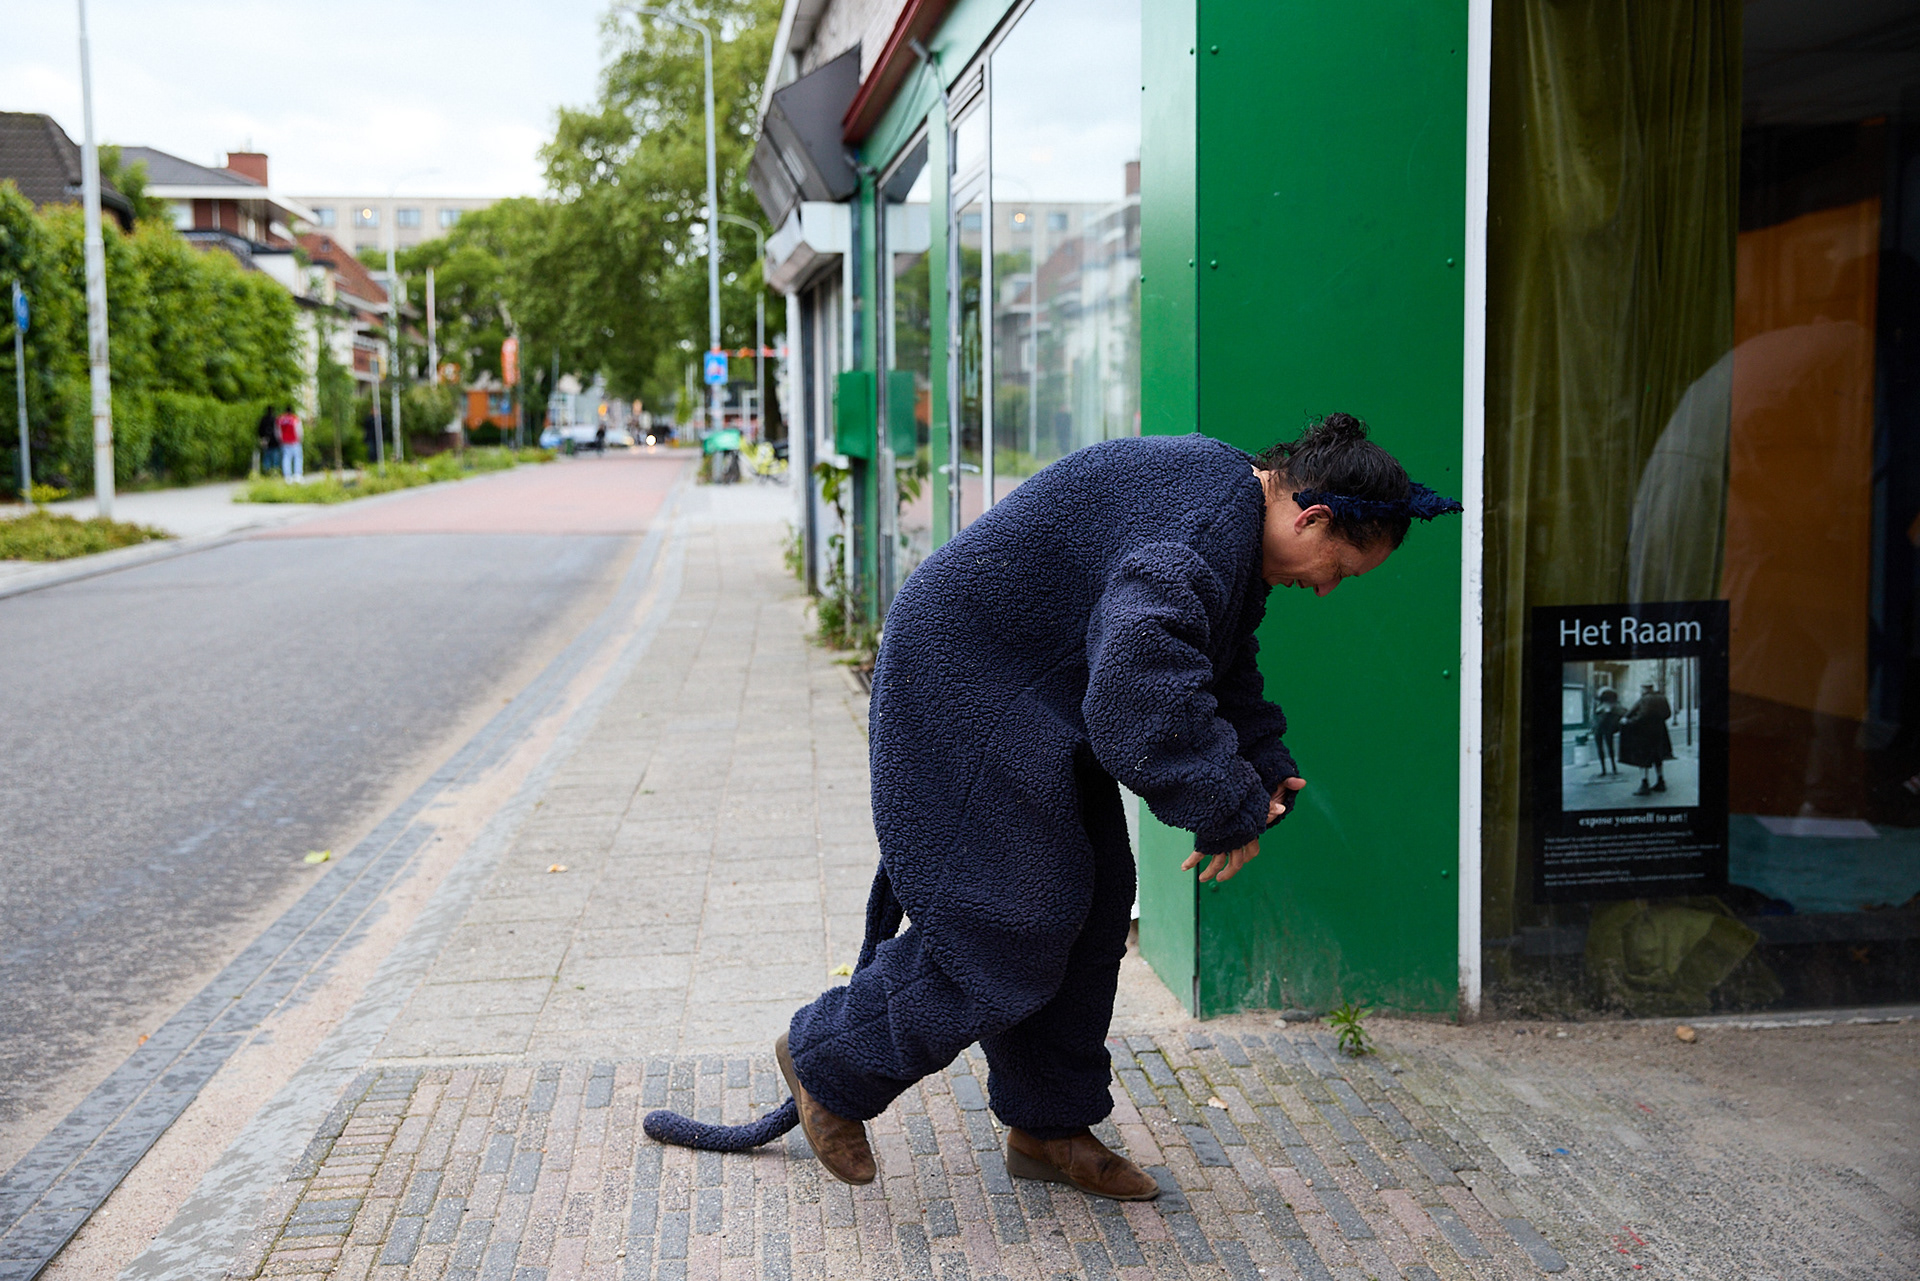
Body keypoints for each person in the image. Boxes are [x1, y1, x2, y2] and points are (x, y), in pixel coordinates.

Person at [641, 414, 1462, 1198]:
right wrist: (1223, 802)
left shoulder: (1230, 508)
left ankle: (1049, 1128)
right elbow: (1136, 694)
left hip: (1028, 695)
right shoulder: (1204, 530)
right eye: (1340, 571)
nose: (1326, 590)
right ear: (1312, 516)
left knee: (1096, 900)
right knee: (1016, 916)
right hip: (963, 685)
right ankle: (832, 1060)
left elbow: (1212, 658)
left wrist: (1258, 760)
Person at [1619, 682, 1675, 795]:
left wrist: (1628, 721)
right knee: (1658, 757)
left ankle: (1644, 785)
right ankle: (1661, 781)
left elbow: (1641, 716)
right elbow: (1668, 714)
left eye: (1641, 689)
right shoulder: (1662, 698)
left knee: (1643, 759)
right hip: (1659, 732)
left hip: (1644, 734)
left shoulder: (1644, 699)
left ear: (1644, 689)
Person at [1592, 687, 1623, 776]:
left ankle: (1610, 768)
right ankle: (1608, 769)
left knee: (1607, 749)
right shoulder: (1605, 706)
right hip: (1602, 729)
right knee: (1606, 749)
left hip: (1603, 729)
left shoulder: (1606, 707)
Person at [276, 407, 304, 481]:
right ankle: (297, 475)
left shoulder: (280, 419)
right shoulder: (295, 418)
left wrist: (280, 439)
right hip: (295, 441)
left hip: (284, 442)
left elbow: (278, 431)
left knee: (286, 459)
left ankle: (287, 476)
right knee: (298, 458)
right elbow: (299, 430)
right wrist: (300, 438)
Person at [257, 405, 280, 475]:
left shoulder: (263, 419)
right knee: (275, 457)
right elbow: (279, 431)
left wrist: (262, 437)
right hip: (275, 441)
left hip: (265, 440)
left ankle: (267, 471)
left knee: (266, 456)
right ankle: (275, 471)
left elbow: (260, 430)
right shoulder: (276, 419)